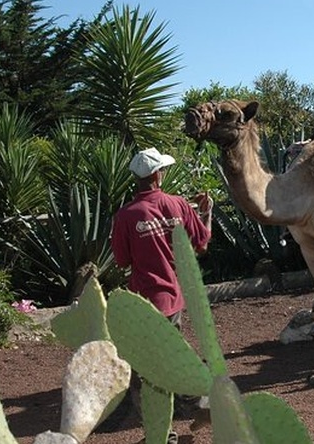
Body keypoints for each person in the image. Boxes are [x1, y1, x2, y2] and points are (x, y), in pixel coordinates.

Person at [111, 147, 212, 438]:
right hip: (173, 297)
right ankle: (199, 406)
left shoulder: (126, 216)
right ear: (157, 175)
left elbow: (122, 261)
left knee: (143, 370)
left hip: (143, 303)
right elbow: (202, 243)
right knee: (170, 358)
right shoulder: (179, 205)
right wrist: (207, 212)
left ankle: (165, 431)